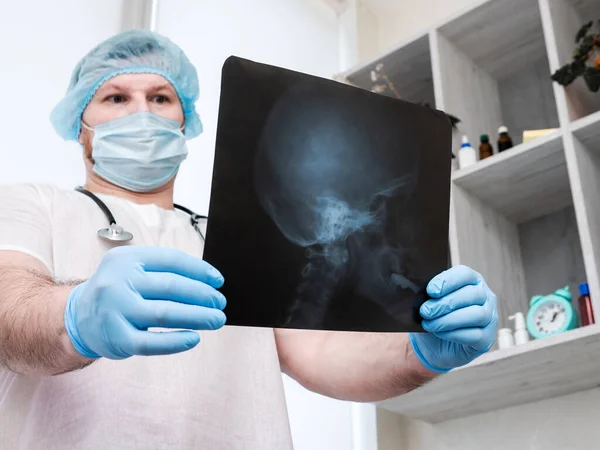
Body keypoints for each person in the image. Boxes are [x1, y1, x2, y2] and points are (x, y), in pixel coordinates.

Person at [0, 30, 498, 449]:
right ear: (80, 128)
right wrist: (73, 317)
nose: (143, 114)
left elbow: (319, 355)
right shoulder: (32, 203)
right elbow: (8, 302)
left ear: (185, 120)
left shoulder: (231, 237)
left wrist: (419, 353)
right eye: (116, 98)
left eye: (160, 98)